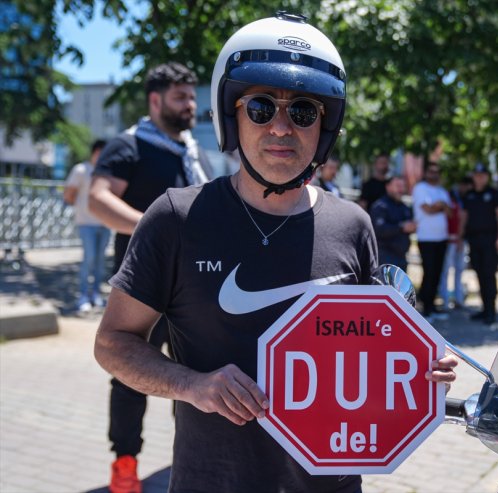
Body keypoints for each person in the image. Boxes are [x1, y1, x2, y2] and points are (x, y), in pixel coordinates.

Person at [93, 13, 456, 493]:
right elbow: (113, 343)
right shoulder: (177, 218)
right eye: (261, 108)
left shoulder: (354, 226)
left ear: (325, 125)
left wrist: (420, 369)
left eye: (303, 111)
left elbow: (374, 355)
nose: (282, 128)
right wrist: (192, 385)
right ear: (232, 117)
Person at [89, 62, 213, 493]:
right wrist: (155, 228)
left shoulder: (191, 152)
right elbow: (98, 199)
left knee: (195, 377)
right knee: (130, 376)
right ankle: (124, 465)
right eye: (180, 97)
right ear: (155, 100)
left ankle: (194, 460)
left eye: (192, 96)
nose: (190, 105)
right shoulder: (130, 145)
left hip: (193, 289)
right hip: (143, 288)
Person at [63, 139, 111, 312]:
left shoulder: (108, 172)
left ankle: (95, 294)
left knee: (100, 261)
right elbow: (68, 194)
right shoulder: (81, 170)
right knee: (89, 259)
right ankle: (83, 295)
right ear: (94, 152)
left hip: (105, 223)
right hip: (86, 223)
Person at [462, 163, 498, 324]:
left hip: (490, 239)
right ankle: (484, 308)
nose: (479, 178)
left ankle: (491, 311)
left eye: (482, 175)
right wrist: (461, 237)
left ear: (486, 177)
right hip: (474, 240)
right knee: (479, 273)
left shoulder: (493, 194)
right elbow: (464, 217)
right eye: (476, 175)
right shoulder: (469, 195)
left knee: (489, 274)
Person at [413, 161, 452, 321]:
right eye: (431, 171)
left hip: (441, 238)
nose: (433, 174)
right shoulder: (420, 188)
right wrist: (440, 206)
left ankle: (432, 305)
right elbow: (427, 209)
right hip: (426, 237)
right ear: (426, 173)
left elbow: (449, 212)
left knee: (437, 273)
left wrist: (441, 205)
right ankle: (425, 307)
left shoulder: (442, 191)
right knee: (428, 272)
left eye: (436, 172)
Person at [437, 175, 472, 310]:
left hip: (460, 239)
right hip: (450, 238)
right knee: (446, 270)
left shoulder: (465, 199)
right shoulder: (449, 198)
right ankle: (445, 299)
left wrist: (460, 237)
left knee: (459, 270)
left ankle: (459, 298)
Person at [370, 175, 416, 270]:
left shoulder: (405, 208)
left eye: (403, 186)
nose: (401, 189)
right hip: (385, 258)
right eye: (398, 186)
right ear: (388, 187)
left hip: (402, 258)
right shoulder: (380, 206)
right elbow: (379, 229)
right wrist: (401, 227)